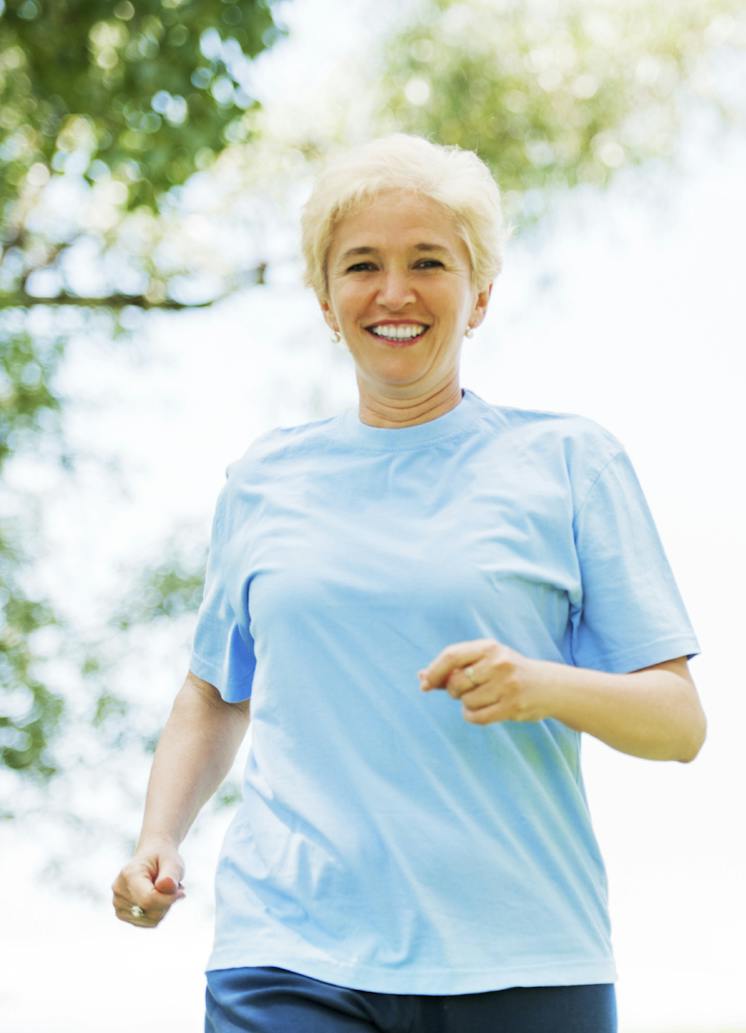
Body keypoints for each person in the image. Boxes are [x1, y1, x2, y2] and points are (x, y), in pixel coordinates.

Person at [110, 134, 705, 1033]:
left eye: (428, 261)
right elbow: (213, 691)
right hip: (289, 951)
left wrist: (538, 683)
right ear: (325, 300)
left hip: (521, 954)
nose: (394, 292)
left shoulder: (570, 462)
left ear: (480, 297)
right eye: (362, 266)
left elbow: (677, 722)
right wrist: (160, 836)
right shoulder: (264, 479)